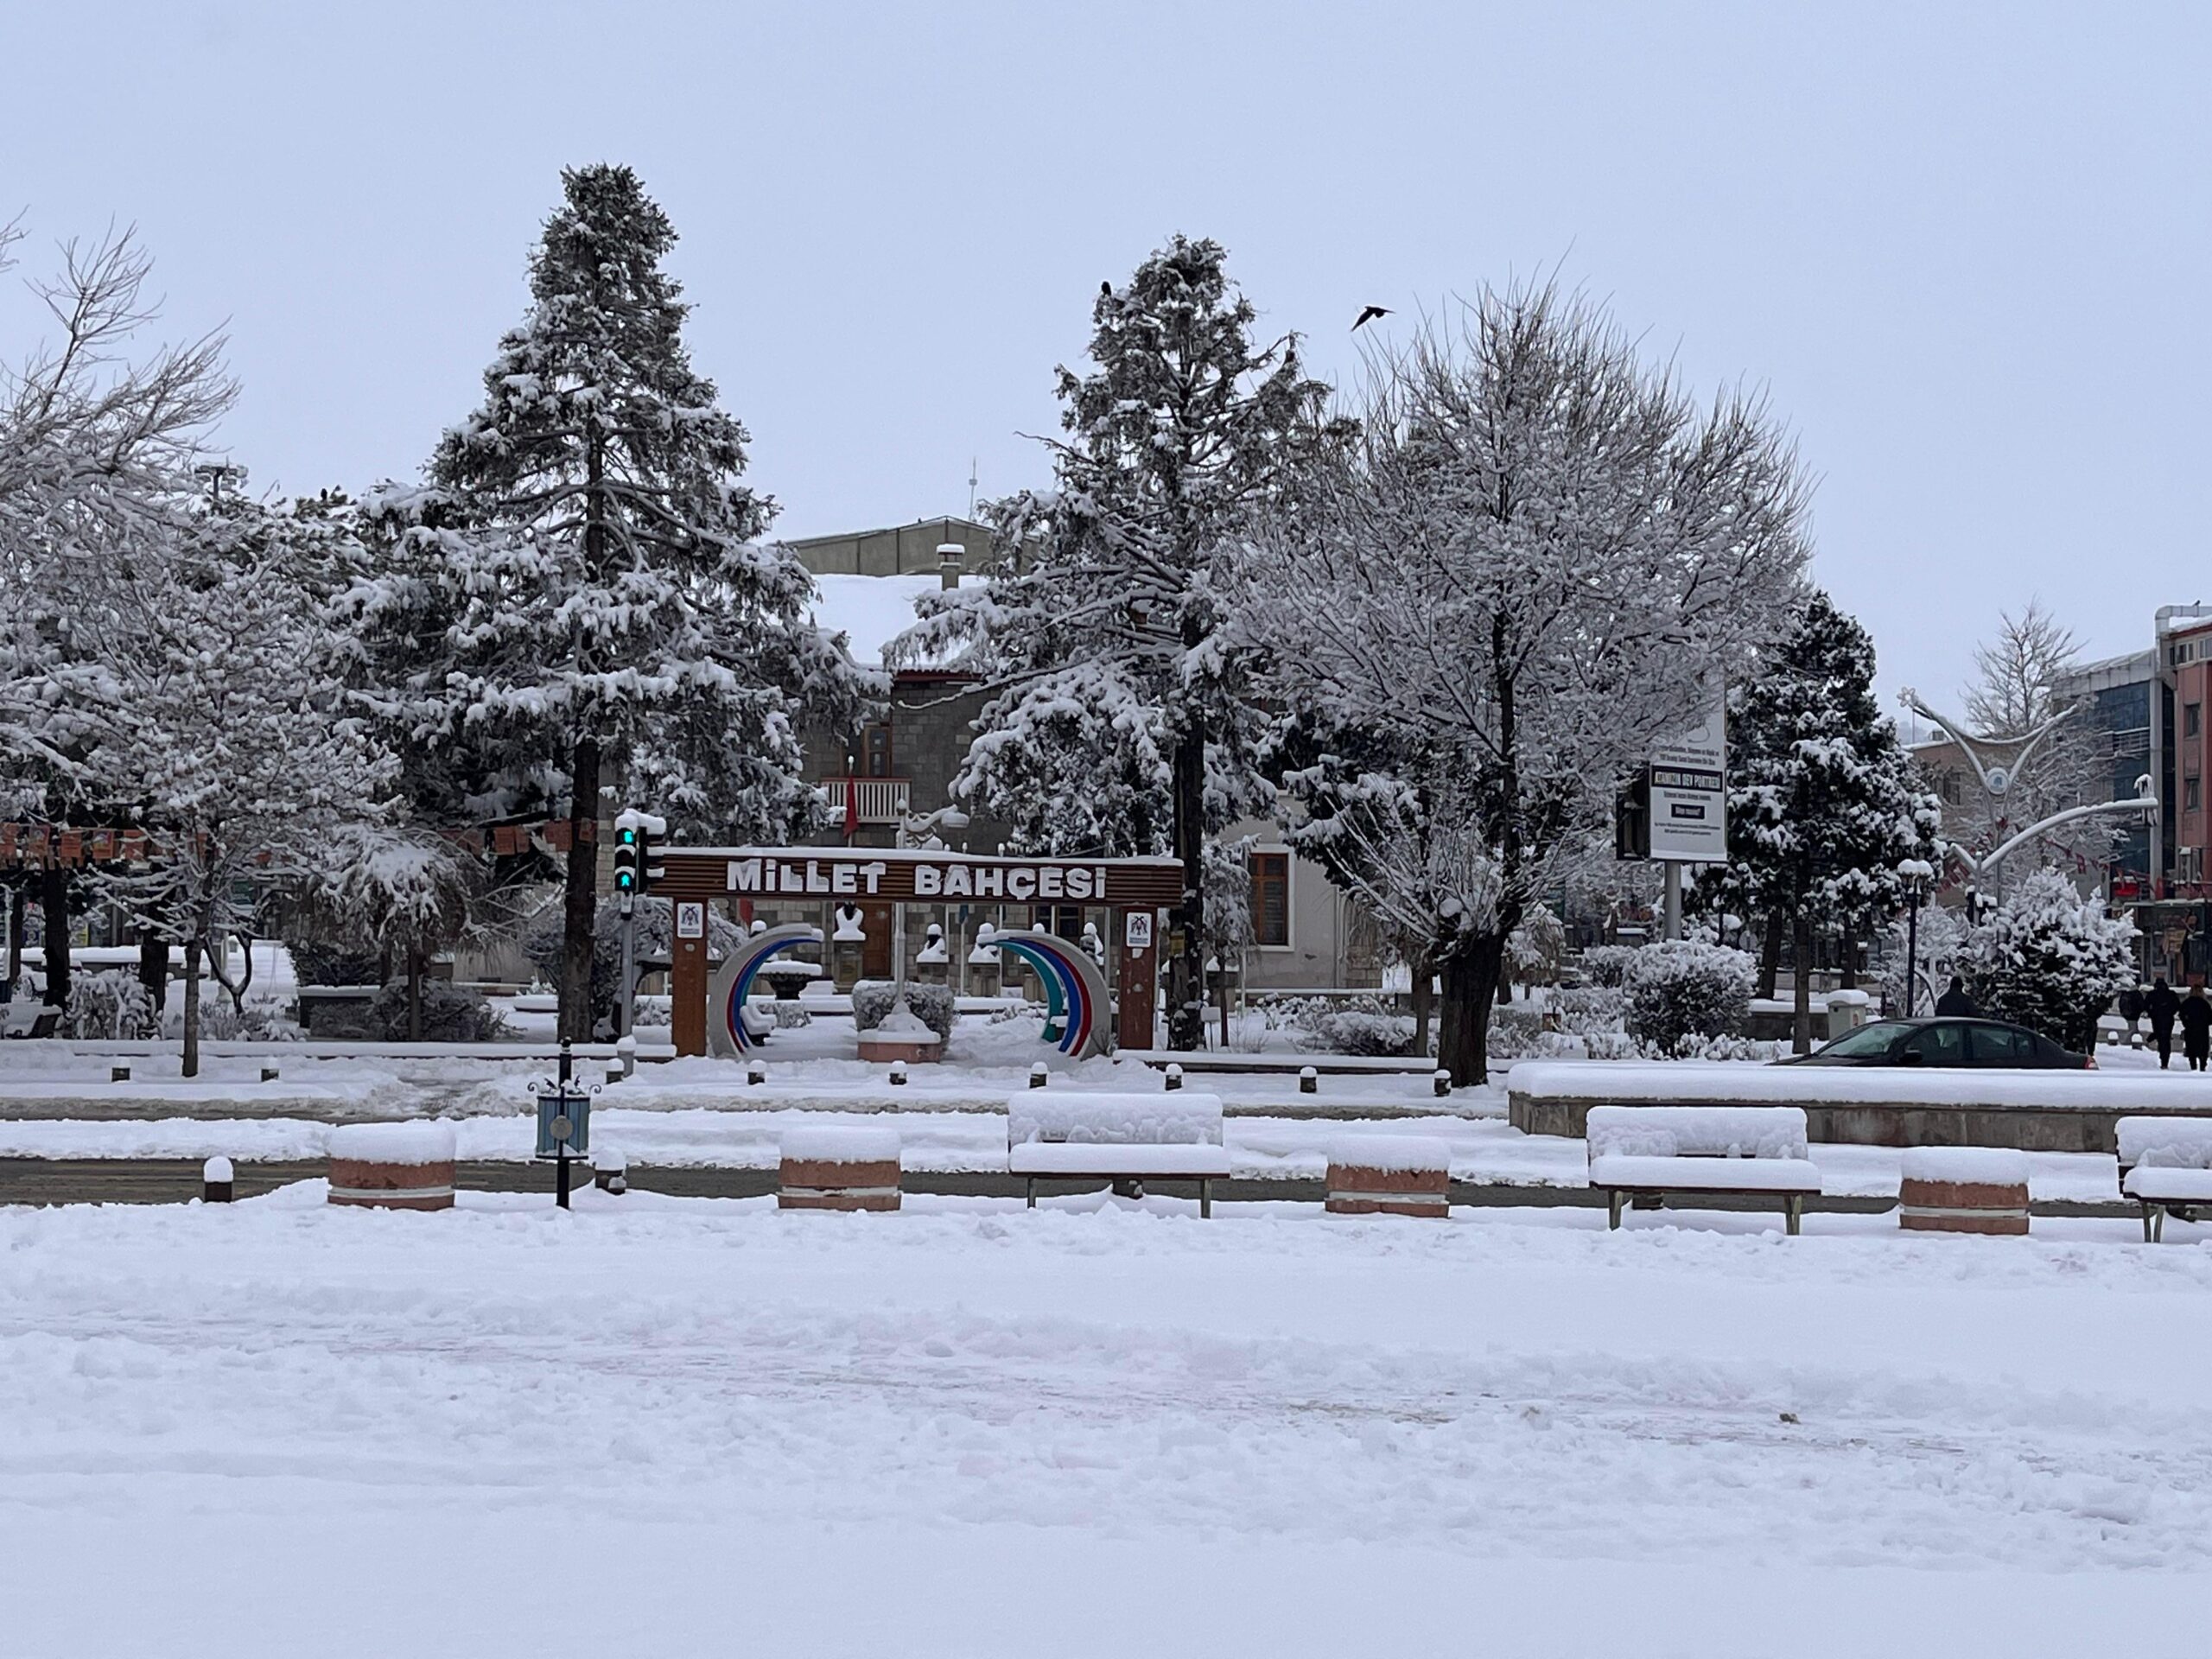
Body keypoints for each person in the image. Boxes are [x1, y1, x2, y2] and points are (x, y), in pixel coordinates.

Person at [2146, 975, 2181, 1069]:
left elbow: (2147, 1006)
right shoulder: (2171, 994)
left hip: (2156, 1018)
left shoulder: (2152, 994)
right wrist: (2171, 1012)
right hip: (2168, 1019)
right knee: (2166, 1038)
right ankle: (2165, 1059)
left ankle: (2162, 1054)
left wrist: (2152, 1013)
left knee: (2160, 1037)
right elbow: (2177, 1005)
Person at [2181, 981, 2212, 1073]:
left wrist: (2186, 1023)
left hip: (2190, 1029)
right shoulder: (2205, 1004)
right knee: (2203, 1049)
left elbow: (2182, 1014)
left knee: (2191, 1049)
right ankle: (2202, 1066)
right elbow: (2210, 1017)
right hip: (2202, 1030)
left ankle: (2193, 1066)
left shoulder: (2186, 1003)